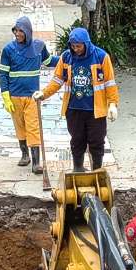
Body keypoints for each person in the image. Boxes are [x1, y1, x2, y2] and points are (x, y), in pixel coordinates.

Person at [33, 27, 119, 172]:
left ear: (86, 44)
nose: (76, 49)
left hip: (95, 110)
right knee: (77, 140)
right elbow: (57, 80)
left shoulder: (101, 57)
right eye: (73, 46)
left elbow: (109, 83)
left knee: (97, 141)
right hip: (74, 109)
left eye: (78, 46)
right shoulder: (66, 57)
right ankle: (78, 168)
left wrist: (112, 104)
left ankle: (97, 170)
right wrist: (44, 93)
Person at [0, 16, 56, 174]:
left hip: (32, 96)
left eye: (20, 31)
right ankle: (25, 155)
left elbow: (49, 61)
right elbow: (3, 74)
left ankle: (36, 163)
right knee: (20, 126)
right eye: (15, 30)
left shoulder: (38, 47)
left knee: (33, 127)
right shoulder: (8, 50)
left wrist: (68, 59)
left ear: (28, 31)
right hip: (14, 96)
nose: (17, 33)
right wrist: (5, 96)